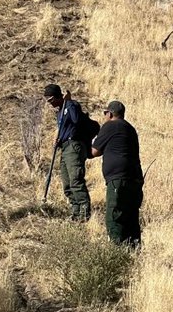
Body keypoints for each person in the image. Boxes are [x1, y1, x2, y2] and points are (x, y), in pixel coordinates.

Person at [91, 100, 143, 248]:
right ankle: (134, 252)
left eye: (105, 113)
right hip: (135, 179)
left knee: (114, 217)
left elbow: (94, 151)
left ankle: (117, 253)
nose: (104, 116)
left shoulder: (110, 126)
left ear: (110, 113)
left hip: (118, 179)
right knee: (131, 218)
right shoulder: (130, 129)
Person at [44, 82, 91, 222]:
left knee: (76, 179)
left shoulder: (71, 105)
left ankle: (85, 213)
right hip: (64, 148)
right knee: (66, 183)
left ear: (58, 96)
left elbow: (76, 120)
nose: (50, 103)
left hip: (74, 146)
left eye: (51, 100)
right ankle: (75, 212)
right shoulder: (59, 112)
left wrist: (69, 101)